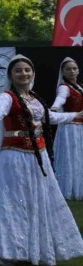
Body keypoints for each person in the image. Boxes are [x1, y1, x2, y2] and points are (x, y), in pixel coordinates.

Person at [0, 54, 83, 266]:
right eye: (18, 70)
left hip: (39, 155)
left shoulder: (35, 98)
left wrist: (75, 115)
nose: (23, 73)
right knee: (14, 202)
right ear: (10, 75)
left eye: (27, 70)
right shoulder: (7, 96)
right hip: (15, 155)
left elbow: (50, 118)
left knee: (39, 200)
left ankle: (38, 248)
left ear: (33, 74)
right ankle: (11, 251)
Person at [50, 57, 83, 200]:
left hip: (80, 127)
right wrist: (55, 107)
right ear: (63, 72)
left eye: (74, 68)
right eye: (68, 69)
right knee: (71, 158)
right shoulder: (64, 87)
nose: (72, 71)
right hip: (70, 128)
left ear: (78, 70)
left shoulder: (80, 88)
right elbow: (61, 98)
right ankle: (68, 189)